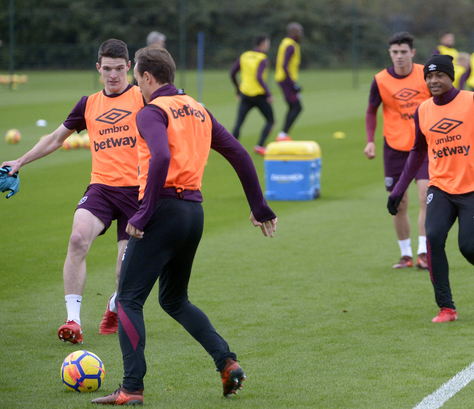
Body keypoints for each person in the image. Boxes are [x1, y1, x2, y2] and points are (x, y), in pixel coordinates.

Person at [92, 46, 277, 405]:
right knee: (174, 299)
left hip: (162, 211)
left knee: (129, 299)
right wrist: (260, 206)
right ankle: (227, 363)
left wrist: (143, 213)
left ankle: (131, 387)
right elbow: (239, 153)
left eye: (136, 80)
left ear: (147, 77)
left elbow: (160, 156)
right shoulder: (197, 109)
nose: (136, 87)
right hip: (193, 213)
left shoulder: (151, 112)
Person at [1, 39, 144, 344]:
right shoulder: (88, 104)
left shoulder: (145, 98)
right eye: (107, 69)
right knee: (77, 238)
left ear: (129, 67)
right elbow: (55, 138)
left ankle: (113, 303)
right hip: (102, 189)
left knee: (125, 273)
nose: (114, 75)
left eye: (119, 69)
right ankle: (73, 320)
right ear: (98, 68)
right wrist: (20, 161)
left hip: (138, 194)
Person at [388, 54, 474, 322]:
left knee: (469, 247)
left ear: (451, 77)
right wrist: (399, 190)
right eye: (429, 76)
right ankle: (446, 307)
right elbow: (417, 152)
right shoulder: (423, 110)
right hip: (441, 186)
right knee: (434, 238)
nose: (434, 81)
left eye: (440, 76)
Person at [365, 32, 431, 270]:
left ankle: (424, 253)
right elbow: (372, 110)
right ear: (390, 53)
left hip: (424, 146)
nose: (399, 56)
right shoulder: (381, 79)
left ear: (412, 52)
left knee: (426, 197)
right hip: (394, 147)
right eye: (395, 52)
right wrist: (370, 140)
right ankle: (406, 255)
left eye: (404, 52)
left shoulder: (425, 74)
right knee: (399, 202)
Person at [230, 34, 275, 156]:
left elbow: (232, 73)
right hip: (259, 96)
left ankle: (230, 149)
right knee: (270, 120)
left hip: (245, 95)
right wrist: (269, 94)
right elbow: (259, 77)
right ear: (263, 44)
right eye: (267, 43)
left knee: (239, 123)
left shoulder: (244, 56)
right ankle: (260, 146)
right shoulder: (263, 58)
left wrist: (238, 90)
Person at [274, 22, 304, 142]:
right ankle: (282, 135)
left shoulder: (285, 43)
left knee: (293, 107)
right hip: (286, 81)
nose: (301, 34)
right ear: (293, 32)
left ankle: (283, 134)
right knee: (297, 107)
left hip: (284, 79)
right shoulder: (291, 46)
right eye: (300, 32)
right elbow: (284, 65)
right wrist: (293, 85)